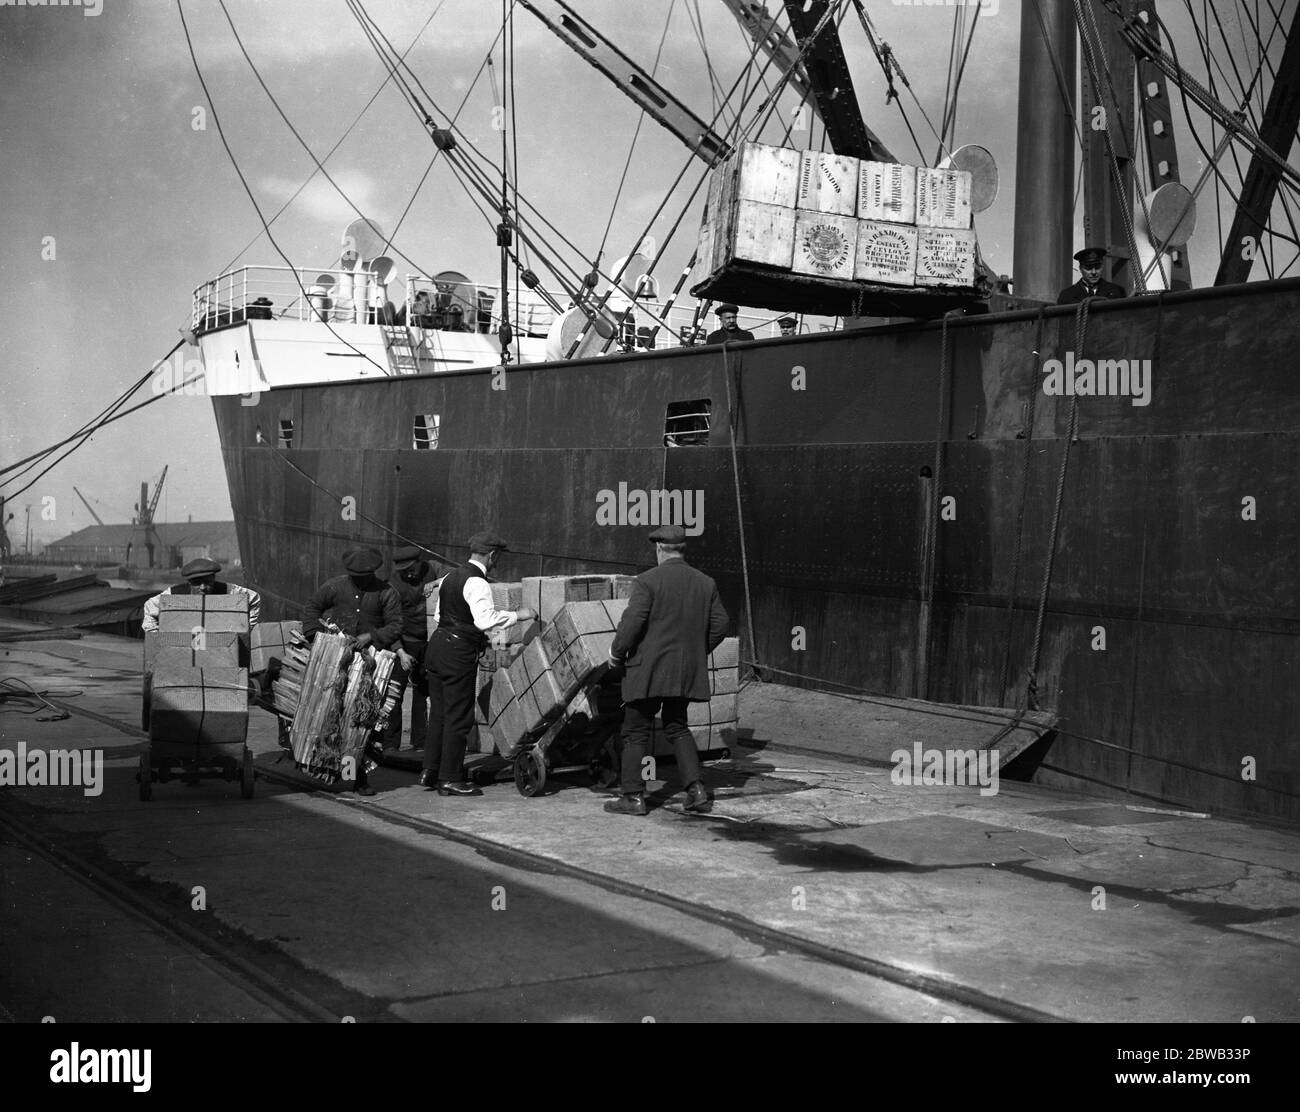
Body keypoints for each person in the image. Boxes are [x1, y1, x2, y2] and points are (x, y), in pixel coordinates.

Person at [604, 524, 730, 816]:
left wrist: (616, 653)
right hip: (684, 671)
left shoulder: (647, 581)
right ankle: (696, 790)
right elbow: (721, 624)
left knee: (635, 731)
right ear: (683, 549)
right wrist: (697, 651)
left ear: (659, 548)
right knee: (677, 726)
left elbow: (633, 622)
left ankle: (633, 797)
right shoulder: (705, 582)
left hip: (647, 670)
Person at [421, 531, 535, 795]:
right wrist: (521, 614)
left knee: (438, 711)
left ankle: (430, 770)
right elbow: (485, 620)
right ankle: (449, 778)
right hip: (457, 653)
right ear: (492, 555)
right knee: (459, 715)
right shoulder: (477, 582)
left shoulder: (450, 577)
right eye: (499, 557)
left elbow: (439, 616)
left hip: (437, 646)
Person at [301, 546, 403, 796]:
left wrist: (372, 636)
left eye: (365, 575)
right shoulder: (335, 587)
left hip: (371, 664)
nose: (360, 579)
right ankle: (326, 766)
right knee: (331, 711)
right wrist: (319, 636)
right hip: (336, 658)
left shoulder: (386, 592)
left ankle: (359, 779)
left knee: (363, 719)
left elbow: (396, 625)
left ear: (373, 571)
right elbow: (312, 609)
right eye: (356, 575)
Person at [383, 544, 438, 753]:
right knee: (394, 692)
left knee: (423, 691)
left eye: (411, 569)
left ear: (419, 563)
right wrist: (400, 652)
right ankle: (390, 743)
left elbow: (458, 576)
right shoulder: (393, 587)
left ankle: (420, 741)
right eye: (403, 570)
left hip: (428, 641)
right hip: (404, 643)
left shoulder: (432, 568)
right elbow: (389, 622)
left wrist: (436, 582)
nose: (408, 574)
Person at [141, 558, 261, 633]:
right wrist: (155, 635)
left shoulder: (227, 590)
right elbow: (149, 606)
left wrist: (246, 629)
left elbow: (254, 598)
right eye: (197, 583)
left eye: (208, 582)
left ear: (213, 579)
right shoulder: (175, 593)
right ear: (189, 583)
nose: (203, 588)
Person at [1057, 247, 1126, 305]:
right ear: (1080, 269)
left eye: (1097, 267)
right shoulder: (1067, 295)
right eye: (1088, 268)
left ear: (1102, 267)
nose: (1094, 272)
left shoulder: (1117, 291)